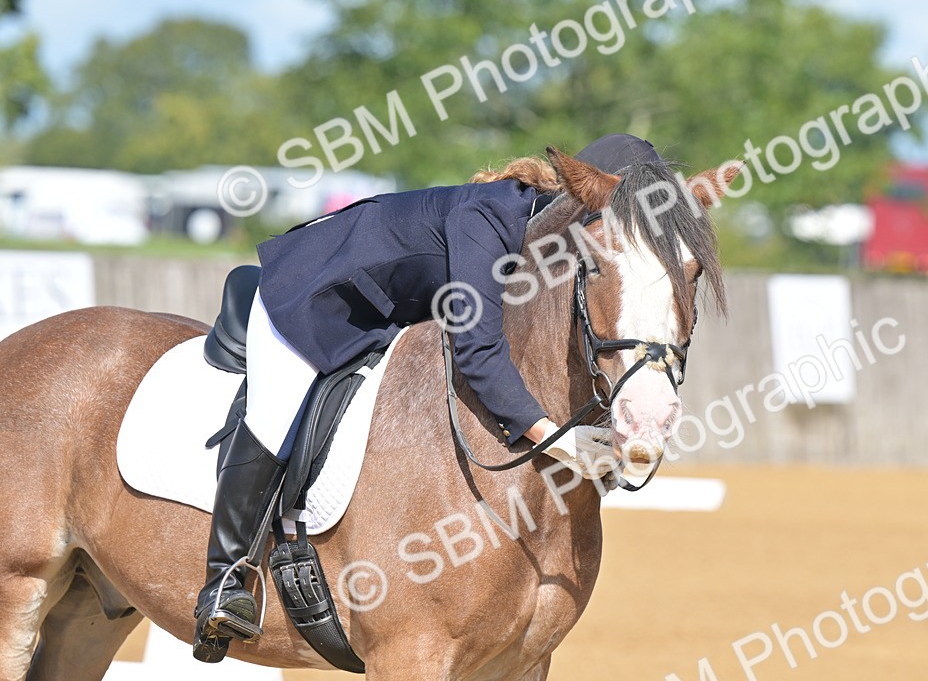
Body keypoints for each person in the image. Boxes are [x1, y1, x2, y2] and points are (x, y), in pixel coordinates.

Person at [192, 133, 663, 662]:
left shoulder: (548, 248)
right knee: (275, 414)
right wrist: (553, 437)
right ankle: (227, 577)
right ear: (582, 200)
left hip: (382, 309)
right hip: (310, 294)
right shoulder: (488, 218)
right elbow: (478, 351)